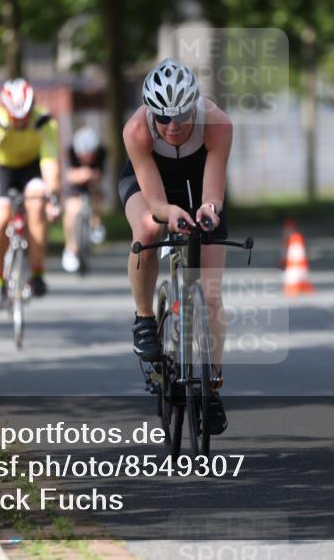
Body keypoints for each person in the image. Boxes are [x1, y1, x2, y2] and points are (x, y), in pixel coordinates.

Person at [119, 58, 233, 434]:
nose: (173, 126)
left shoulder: (217, 124)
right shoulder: (137, 130)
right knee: (150, 231)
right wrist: (169, 213)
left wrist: (208, 210)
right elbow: (155, 204)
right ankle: (144, 318)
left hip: (197, 179)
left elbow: (212, 194)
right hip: (150, 184)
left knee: (211, 295)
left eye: (181, 115)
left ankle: (212, 386)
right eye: (163, 118)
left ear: (194, 106)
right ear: (151, 114)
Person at [0, 79, 62, 310]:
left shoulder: (44, 120)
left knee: (36, 209)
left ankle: (37, 271)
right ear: (5, 109)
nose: (22, 122)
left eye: (25, 116)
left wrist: (53, 198)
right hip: (4, 170)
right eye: (17, 118)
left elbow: (50, 163)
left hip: (32, 168)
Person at [61, 126, 107, 273]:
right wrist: (81, 174)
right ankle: (71, 246)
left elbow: (100, 174)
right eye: (82, 155)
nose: (85, 158)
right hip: (75, 186)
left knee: (97, 197)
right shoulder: (70, 152)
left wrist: (91, 176)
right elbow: (69, 175)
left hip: (92, 184)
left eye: (89, 154)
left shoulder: (101, 152)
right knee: (71, 210)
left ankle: (96, 222)